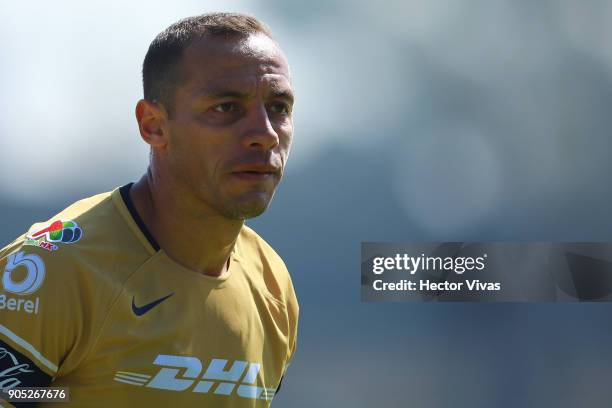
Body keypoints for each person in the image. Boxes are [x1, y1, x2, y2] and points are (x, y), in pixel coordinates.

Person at [0, 12, 298, 407]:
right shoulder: (53, 269)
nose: (265, 134)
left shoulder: (274, 288)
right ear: (153, 125)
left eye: (279, 107)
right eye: (226, 108)